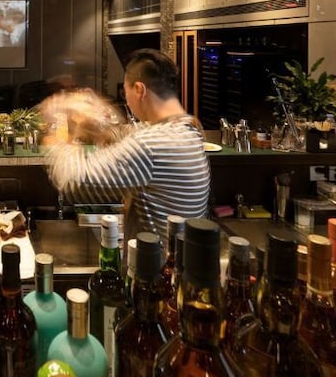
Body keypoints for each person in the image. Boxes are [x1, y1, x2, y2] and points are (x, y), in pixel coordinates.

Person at [39, 48, 210, 241]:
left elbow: (74, 181)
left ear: (139, 90)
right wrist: (94, 116)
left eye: (125, 93)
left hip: (157, 259)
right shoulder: (188, 129)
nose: (126, 101)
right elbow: (126, 134)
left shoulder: (151, 144)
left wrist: (56, 137)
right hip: (179, 253)